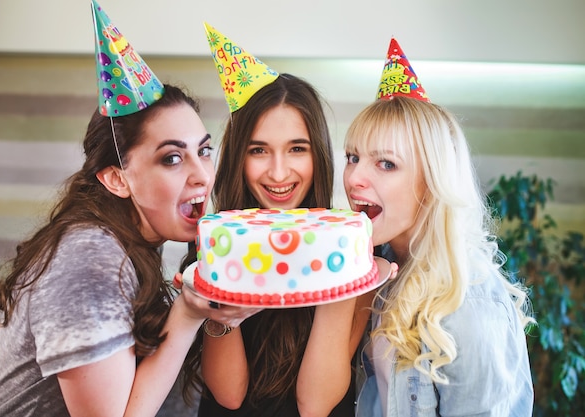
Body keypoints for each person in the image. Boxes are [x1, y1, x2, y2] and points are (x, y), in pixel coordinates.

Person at [0, 3, 260, 416]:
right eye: (172, 159)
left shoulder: (134, 244)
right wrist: (187, 312)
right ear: (117, 179)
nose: (203, 176)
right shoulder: (89, 256)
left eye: (204, 151)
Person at [179, 24, 380, 417]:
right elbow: (229, 394)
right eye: (259, 150)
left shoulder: (349, 245)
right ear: (239, 156)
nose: (278, 172)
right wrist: (223, 311)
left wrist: (338, 265)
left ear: (318, 154)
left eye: (296, 149)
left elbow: (316, 404)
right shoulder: (218, 241)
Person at [344, 38, 535, 416]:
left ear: (431, 184)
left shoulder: (470, 304)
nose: (353, 178)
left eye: (386, 164)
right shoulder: (380, 268)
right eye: (353, 157)